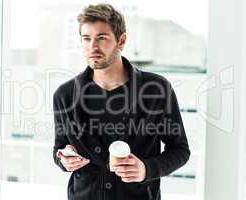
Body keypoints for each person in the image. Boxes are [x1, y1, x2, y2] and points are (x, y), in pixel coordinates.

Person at [52, 3, 190, 200]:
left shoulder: (157, 90)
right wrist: (64, 158)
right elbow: (59, 149)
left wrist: (146, 169)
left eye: (101, 38)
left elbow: (180, 150)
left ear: (122, 41)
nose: (93, 46)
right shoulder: (64, 95)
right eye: (86, 39)